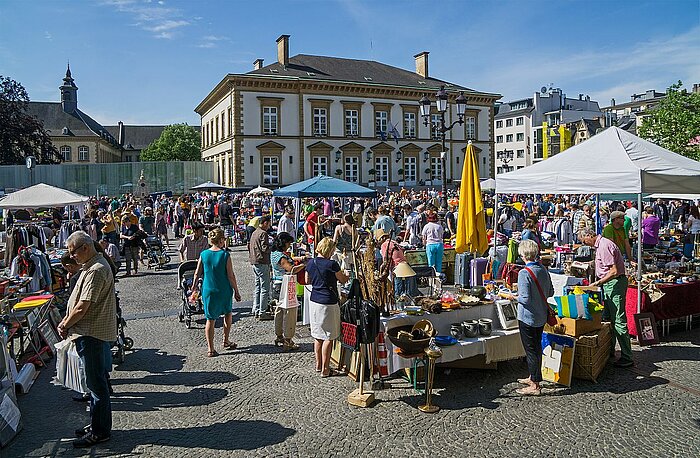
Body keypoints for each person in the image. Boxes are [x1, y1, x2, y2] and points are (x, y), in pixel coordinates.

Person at [58, 231, 116, 448]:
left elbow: (83, 306)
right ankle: (97, 424)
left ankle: (100, 431)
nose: (71, 256)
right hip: (91, 332)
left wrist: (65, 323)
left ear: (85, 248)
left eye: (73, 252)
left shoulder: (96, 270)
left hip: (91, 333)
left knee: (96, 384)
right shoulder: (91, 266)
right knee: (95, 383)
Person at [579, 228, 634, 368]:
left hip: (613, 284)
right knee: (609, 319)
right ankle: (610, 351)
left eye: (584, 241)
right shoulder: (602, 245)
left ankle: (627, 356)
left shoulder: (603, 246)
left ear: (589, 235)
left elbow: (613, 271)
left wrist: (597, 283)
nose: (585, 244)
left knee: (618, 320)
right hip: (609, 284)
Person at [192, 229, 242, 357]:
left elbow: (197, 273)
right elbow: (231, 276)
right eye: (224, 239)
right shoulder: (225, 255)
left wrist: (193, 286)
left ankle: (210, 348)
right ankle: (225, 340)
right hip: (224, 289)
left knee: (210, 319)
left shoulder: (203, 254)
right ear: (220, 240)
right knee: (228, 313)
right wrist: (236, 291)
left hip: (208, 290)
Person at [514, 239, 553, 396]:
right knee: (536, 347)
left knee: (531, 350)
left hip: (528, 317)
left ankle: (535, 385)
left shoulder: (524, 273)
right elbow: (550, 292)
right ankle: (533, 376)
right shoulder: (543, 269)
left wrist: (511, 296)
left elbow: (524, 299)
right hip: (541, 315)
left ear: (523, 254)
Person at [306, 237, 349, 377]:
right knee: (328, 336)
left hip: (314, 301)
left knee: (317, 335)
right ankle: (325, 369)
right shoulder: (332, 264)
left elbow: (307, 280)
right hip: (328, 302)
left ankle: (318, 365)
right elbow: (342, 280)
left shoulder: (310, 262)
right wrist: (346, 276)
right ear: (329, 249)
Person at [270, 232, 306, 351]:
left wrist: (299, 259)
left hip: (277, 285)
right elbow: (291, 269)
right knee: (290, 313)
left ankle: (279, 335)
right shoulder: (280, 256)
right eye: (288, 243)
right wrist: (304, 264)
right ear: (283, 243)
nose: (289, 245)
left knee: (279, 311)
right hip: (285, 285)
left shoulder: (274, 254)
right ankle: (288, 340)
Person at [376, 229, 418, 298]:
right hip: (405, 265)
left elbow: (386, 260)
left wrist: (382, 271)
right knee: (407, 291)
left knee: (398, 292)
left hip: (397, 267)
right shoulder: (394, 242)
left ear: (382, 238)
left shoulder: (384, 245)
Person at [249, 215, 273, 320]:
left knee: (258, 286)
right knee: (265, 288)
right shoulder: (263, 233)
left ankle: (256, 309)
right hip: (262, 261)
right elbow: (265, 248)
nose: (269, 226)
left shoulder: (255, 232)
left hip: (254, 262)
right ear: (265, 223)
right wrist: (273, 246)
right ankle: (262, 312)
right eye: (268, 224)